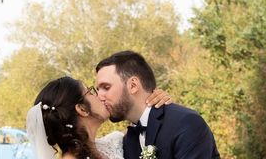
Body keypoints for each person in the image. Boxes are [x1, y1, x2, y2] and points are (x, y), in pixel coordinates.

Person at [96, 51, 220, 159]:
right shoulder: (128, 140)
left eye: (106, 87)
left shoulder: (186, 123)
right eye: (98, 90)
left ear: (133, 85)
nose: (99, 97)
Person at [27, 76, 171, 159]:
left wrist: (156, 100)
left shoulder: (111, 144)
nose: (100, 96)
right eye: (91, 92)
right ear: (82, 109)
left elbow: (145, 123)